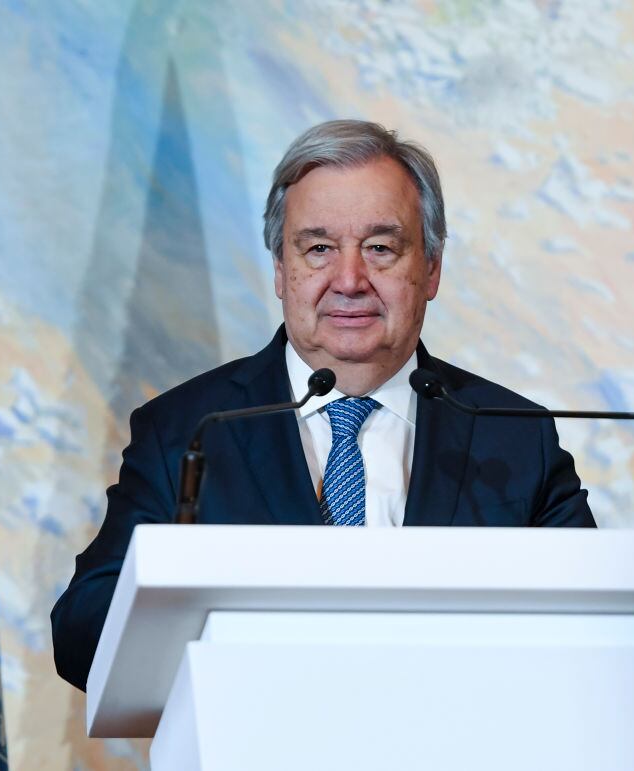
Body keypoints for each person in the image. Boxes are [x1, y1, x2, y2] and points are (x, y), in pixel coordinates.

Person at [51, 120, 595, 691]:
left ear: (430, 269)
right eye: (318, 249)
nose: (350, 279)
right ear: (282, 271)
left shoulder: (512, 435)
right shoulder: (188, 430)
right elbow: (82, 633)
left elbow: (603, 627)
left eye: (381, 248)